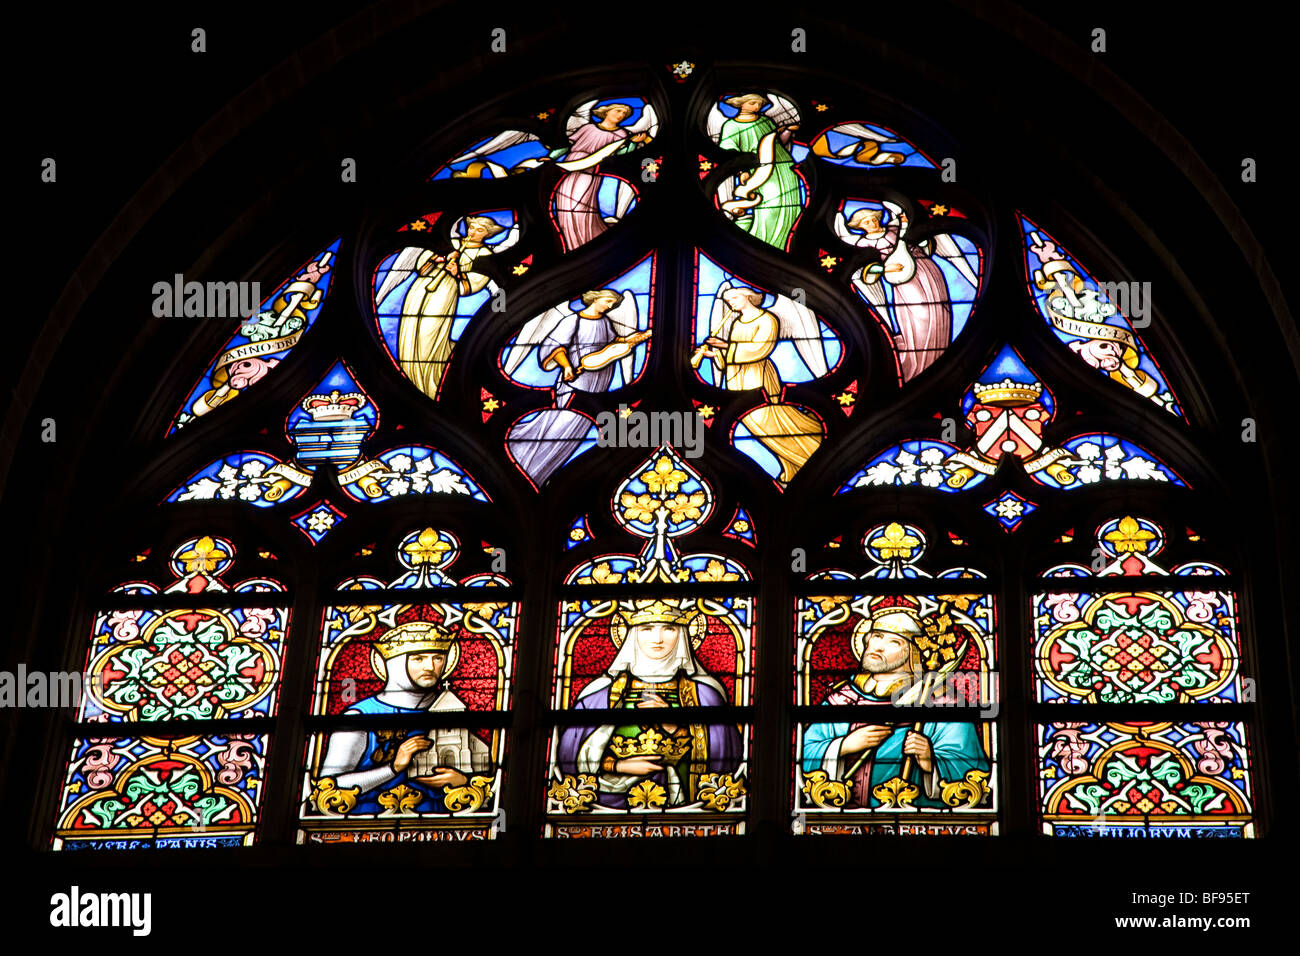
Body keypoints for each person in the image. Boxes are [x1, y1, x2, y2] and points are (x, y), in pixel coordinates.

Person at [802, 597, 988, 809]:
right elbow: (805, 752)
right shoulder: (842, 699)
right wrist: (844, 745)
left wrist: (930, 759)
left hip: (924, 826)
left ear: (912, 652)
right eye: (876, 636)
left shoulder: (940, 700)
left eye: (893, 642)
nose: (878, 647)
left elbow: (970, 765)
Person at [557, 599, 741, 808]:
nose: (658, 639)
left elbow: (727, 758)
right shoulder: (597, 698)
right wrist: (617, 765)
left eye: (669, 628)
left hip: (687, 809)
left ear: (681, 635)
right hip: (606, 805)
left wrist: (674, 726)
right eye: (646, 628)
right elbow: (568, 755)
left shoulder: (706, 697)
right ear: (632, 635)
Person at [317, 621, 489, 814]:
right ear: (396, 663)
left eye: (438, 658)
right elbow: (328, 787)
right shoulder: (359, 717)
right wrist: (393, 767)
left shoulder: (450, 707)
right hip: (365, 824)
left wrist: (463, 782)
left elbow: (486, 772)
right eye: (418, 658)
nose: (430, 666)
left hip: (448, 821)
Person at [505, 288, 650, 486]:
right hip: (575, 382)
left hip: (599, 382)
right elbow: (554, 347)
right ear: (595, 298)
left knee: (576, 433)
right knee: (560, 426)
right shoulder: (572, 320)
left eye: (613, 304)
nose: (610, 306)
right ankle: (526, 466)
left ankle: (545, 472)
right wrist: (566, 367)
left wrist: (641, 337)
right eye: (608, 301)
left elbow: (614, 344)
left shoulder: (605, 322)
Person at [696, 286, 823, 484]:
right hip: (736, 377)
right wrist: (714, 354)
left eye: (735, 297)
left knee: (769, 420)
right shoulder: (738, 322)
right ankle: (793, 464)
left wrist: (725, 346)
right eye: (729, 300)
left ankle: (812, 453)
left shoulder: (767, 319)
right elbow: (733, 354)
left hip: (758, 376)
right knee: (756, 427)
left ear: (748, 296)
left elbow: (759, 349)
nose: (732, 303)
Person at [392, 216, 504, 400]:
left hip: (445, 293)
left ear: (488, 234)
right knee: (409, 331)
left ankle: (428, 384)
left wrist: (457, 273)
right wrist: (440, 258)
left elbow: (473, 284)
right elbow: (421, 267)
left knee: (429, 334)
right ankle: (407, 377)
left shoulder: (485, 254)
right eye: (472, 227)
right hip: (420, 289)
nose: (473, 232)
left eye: (479, 230)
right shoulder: (450, 243)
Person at [846, 205, 952, 381]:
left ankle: (939, 352)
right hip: (902, 281)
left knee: (938, 310)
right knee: (920, 316)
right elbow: (865, 272)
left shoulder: (895, 230)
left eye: (873, 218)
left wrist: (922, 241)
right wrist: (885, 267)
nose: (872, 223)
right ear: (860, 227)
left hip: (925, 270)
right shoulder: (864, 244)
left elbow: (922, 243)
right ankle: (921, 361)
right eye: (866, 222)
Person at [553, 103, 647, 250]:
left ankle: (584, 241)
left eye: (624, 114)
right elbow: (567, 145)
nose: (621, 115)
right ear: (606, 112)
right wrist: (551, 157)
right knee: (563, 204)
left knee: (579, 204)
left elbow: (621, 154)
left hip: (590, 169)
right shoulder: (587, 128)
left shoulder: (622, 135)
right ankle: (569, 240)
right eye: (618, 111)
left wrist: (633, 144)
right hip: (570, 164)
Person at [717, 93, 802, 248]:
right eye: (752, 103)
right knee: (770, 206)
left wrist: (788, 131)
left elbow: (779, 143)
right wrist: (742, 172)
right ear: (740, 104)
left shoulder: (765, 120)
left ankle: (788, 241)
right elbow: (729, 153)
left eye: (759, 104)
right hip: (759, 171)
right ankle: (768, 243)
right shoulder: (731, 126)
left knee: (791, 204)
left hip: (784, 166)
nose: (757, 107)